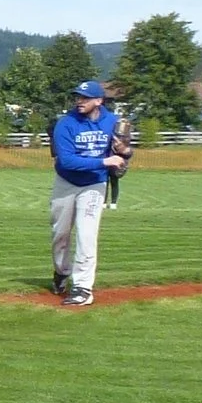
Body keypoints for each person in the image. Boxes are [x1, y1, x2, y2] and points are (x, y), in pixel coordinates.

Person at [48, 80, 126, 307]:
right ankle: (62, 271)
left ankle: (83, 287)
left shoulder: (113, 122)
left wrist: (124, 154)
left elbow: (124, 153)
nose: (79, 101)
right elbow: (68, 161)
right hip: (66, 180)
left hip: (94, 184)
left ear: (99, 101)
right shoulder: (66, 124)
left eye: (85, 98)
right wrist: (105, 161)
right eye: (78, 97)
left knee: (86, 234)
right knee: (60, 234)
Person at [106, 102, 136, 208]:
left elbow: (128, 152)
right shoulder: (112, 135)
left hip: (117, 162)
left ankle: (113, 202)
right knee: (106, 182)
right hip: (108, 160)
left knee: (114, 182)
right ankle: (105, 202)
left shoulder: (125, 139)